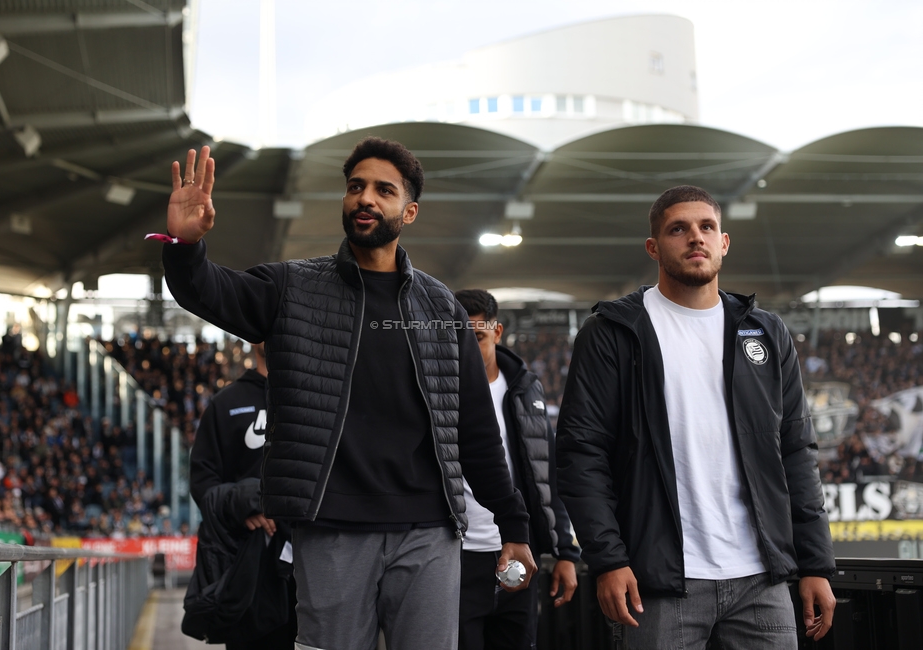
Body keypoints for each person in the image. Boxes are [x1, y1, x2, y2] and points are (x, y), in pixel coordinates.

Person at [158, 137, 535, 650]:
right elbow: (209, 291)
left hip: (429, 529)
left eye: (384, 190)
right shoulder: (293, 288)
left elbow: (474, 431)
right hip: (331, 527)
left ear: (410, 211)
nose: (365, 199)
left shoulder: (441, 306)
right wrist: (184, 248)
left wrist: (513, 521)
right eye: (355, 187)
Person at [555, 185, 836, 649]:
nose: (695, 238)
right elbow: (582, 454)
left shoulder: (765, 333)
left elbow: (796, 451)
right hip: (659, 583)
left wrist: (816, 564)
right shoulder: (611, 332)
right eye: (678, 229)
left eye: (707, 227)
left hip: (761, 580)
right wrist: (607, 560)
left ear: (723, 242)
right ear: (654, 247)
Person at [454, 289, 580, 650]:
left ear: (497, 331)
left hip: (518, 550)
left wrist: (565, 553)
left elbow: (546, 477)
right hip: (457, 556)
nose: (466, 347)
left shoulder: (526, 390)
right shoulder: (438, 394)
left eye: (476, 336)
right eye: (457, 337)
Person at [186, 342, 296, 649]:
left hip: (311, 560)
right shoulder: (226, 403)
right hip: (248, 566)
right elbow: (202, 480)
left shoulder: (311, 397)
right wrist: (244, 507)